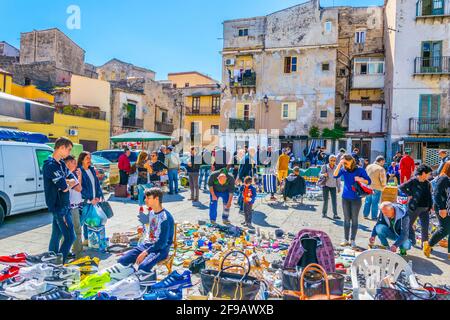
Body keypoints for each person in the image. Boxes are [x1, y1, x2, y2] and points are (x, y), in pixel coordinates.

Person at [118, 188, 174, 273]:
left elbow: (162, 243)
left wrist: (145, 252)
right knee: (122, 261)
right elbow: (151, 231)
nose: (145, 200)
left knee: (143, 267)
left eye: (148, 198)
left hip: (161, 249)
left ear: (157, 199)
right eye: (145, 197)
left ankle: (146, 283)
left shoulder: (165, 218)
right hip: (147, 245)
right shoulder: (151, 212)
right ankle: (134, 277)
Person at [43, 137, 77, 264]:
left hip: (64, 205)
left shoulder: (61, 164)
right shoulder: (50, 165)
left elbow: (73, 179)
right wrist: (68, 183)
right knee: (70, 236)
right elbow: (63, 187)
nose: (69, 152)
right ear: (61, 147)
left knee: (56, 235)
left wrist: (68, 182)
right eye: (68, 149)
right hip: (59, 207)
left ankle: (51, 263)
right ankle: (59, 263)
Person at [334, 154, 371, 248]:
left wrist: (360, 179)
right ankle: (346, 240)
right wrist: (339, 164)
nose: (345, 164)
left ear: (351, 161)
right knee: (346, 219)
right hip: (345, 197)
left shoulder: (359, 170)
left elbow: (369, 181)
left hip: (356, 198)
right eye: (343, 162)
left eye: (346, 162)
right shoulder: (343, 169)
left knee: (354, 219)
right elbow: (335, 175)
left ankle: (353, 240)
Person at [423, 161, 450, 259]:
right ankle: (428, 245)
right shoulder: (443, 178)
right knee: (444, 229)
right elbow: (437, 194)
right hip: (442, 207)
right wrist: (442, 208)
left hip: (448, 207)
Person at [78, 151, 104, 245]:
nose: (90, 160)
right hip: (85, 201)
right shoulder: (79, 171)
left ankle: (87, 240)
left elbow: (96, 184)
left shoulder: (92, 169)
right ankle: (75, 244)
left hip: (93, 200)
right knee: (80, 223)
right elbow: (81, 188)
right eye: (87, 158)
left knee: (89, 222)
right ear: (82, 160)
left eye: (90, 158)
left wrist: (97, 196)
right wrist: (89, 199)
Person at [65, 155, 84, 258]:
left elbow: (78, 187)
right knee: (73, 230)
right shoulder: (68, 175)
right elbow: (79, 188)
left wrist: (79, 177)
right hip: (70, 207)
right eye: (74, 163)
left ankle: (74, 251)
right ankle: (73, 252)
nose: (76, 165)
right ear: (68, 163)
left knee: (74, 230)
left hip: (75, 206)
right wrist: (78, 178)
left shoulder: (72, 175)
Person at [363, 156, 387, 220]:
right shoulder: (381, 169)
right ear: (381, 161)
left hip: (368, 186)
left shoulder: (368, 166)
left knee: (367, 201)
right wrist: (384, 186)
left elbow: (364, 176)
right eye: (383, 162)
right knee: (375, 202)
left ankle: (365, 215)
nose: (384, 163)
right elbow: (383, 180)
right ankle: (374, 217)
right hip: (377, 187)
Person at [320, 155, 341, 220]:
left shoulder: (337, 167)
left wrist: (339, 187)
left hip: (333, 186)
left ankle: (335, 214)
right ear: (329, 160)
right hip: (325, 185)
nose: (333, 162)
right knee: (325, 200)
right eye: (331, 160)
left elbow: (338, 178)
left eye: (334, 160)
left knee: (334, 201)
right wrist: (323, 174)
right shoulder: (324, 166)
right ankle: (324, 213)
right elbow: (319, 174)